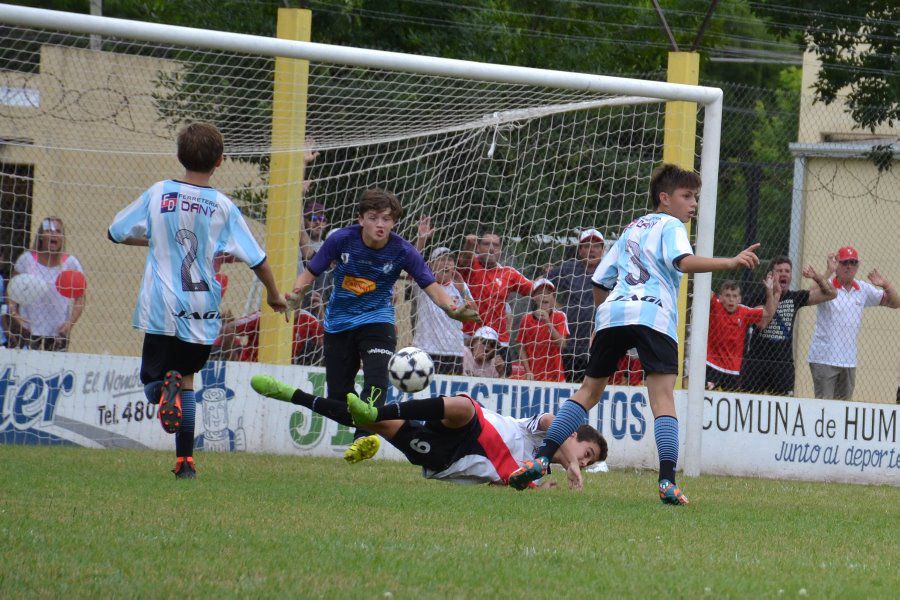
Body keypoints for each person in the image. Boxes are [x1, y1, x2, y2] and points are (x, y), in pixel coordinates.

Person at [507, 163, 762, 504]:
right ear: (665, 198)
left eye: (695, 197)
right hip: (654, 314)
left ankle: (542, 458)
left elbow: (600, 280)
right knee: (662, 399)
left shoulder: (630, 229)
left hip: (614, 313)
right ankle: (667, 482)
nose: (693, 204)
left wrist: (605, 322)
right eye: (687, 196)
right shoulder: (671, 225)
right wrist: (730, 262)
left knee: (587, 392)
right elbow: (682, 263)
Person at [108, 122, 288, 479]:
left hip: (160, 307)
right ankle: (185, 463)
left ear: (179, 155)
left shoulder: (159, 192)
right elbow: (258, 259)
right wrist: (274, 295)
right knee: (188, 379)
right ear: (220, 161)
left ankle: (163, 389)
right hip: (202, 308)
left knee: (153, 385)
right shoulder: (222, 206)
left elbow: (116, 232)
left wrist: (159, 241)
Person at [290, 188, 479, 465]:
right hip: (338, 325)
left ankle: (362, 437)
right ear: (361, 219)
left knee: (377, 381)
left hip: (377, 321)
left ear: (393, 222)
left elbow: (431, 285)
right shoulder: (341, 240)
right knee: (339, 397)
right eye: (374, 217)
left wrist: (453, 309)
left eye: (387, 219)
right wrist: (296, 293)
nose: (381, 224)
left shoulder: (402, 250)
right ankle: (365, 426)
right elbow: (311, 271)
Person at [250, 375, 607, 488]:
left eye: (588, 463)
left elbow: (506, 485)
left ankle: (292, 395)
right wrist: (570, 462)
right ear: (574, 435)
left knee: (374, 425)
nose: (583, 463)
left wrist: (544, 488)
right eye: (587, 453)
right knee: (464, 405)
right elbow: (549, 423)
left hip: (446, 460)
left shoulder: (537, 475)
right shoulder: (544, 435)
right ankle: (377, 408)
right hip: (474, 426)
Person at [807, 246, 898, 400]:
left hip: (848, 361)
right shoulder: (827, 283)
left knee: (844, 410)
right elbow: (809, 295)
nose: (849, 266)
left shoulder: (862, 288)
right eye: (844, 262)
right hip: (824, 358)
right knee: (823, 408)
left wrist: (886, 285)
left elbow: (895, 303)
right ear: (837, 264)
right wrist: (828, 271)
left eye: (853, 262)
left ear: (857, 266)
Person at [740, 255, 835, 396]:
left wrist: (818, 276)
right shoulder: (758, 297)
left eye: (787, 271)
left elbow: (831, 294)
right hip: (756, 362)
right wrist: (775, 294)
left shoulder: (794, 297)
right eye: (779, 271)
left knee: (782, 406)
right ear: (771, 275)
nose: (784, 274)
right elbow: (763, 324)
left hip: (782, 364)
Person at [6, 217, 86, 351]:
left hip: (58, 331)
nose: (54, 234)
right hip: (29, 328)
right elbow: (11, 291)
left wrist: (70, 323)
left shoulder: (71, 263)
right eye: (49, 230)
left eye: (58, 231)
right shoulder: (27, 259)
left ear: (62, 237)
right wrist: (15, 315)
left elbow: (81, 297)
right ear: (41, 236)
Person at [457, 230, 533, 358]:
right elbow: (464, 260)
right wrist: (468, 245)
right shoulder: (471, 265)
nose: (491, 248)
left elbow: (534, 289)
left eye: (496, 245)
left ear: (500, 249)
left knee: (502, 373)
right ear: (478, 247)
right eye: (486, 244)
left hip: (499, 340)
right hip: (469, 336)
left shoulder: (509, 273)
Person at [548, 228, 605, 381]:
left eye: (596, 246)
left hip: (599, 341)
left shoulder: (610, 270)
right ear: (580, 251)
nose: (591, 249)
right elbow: (543, 284)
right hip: (570, 344)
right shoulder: (569, 268)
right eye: (586, 246)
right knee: (570, 386)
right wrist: (557, 308)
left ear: (603, 250)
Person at [411, 244, 474, 375]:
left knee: (449, 394)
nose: (446, 263)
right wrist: (422, 239)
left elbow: (474, 313)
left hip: (454, 351)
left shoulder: (460, 286)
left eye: (450, 259)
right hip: (425, 349)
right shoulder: (423, 285)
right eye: (441, 259)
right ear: (432, 265)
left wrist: (462, 290)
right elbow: (412, 260)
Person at [706, 276, 777, 391]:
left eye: (734, 296)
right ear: (720, 298)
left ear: (739, 299)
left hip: (733, 370)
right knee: (707, 398)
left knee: (730, 404)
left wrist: (769, 291)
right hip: (712, 365)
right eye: (727, 295)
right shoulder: (715, 306)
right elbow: (704, 286)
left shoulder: (744, 312)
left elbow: (768, 313)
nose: (731, 299)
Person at [516, 278, 569, 382]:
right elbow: (522, 348)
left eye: (548, 293)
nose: (545, 295)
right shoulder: (526, 318)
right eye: (540, 293)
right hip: (533, 376)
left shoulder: (560, 316)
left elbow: (562, 344)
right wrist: (528, 371)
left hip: (556, 375)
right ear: (534, 297)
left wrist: (548, 322)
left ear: (552, 297)